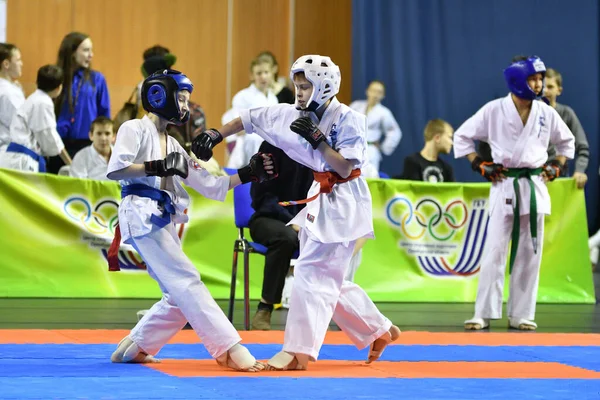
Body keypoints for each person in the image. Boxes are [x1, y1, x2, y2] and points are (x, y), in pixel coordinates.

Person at [192, 54, 400, 370]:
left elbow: (344, 167)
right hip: (319, 196)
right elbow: (249, 118)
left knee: (311, 272)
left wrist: (317, 140)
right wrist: (215, 135)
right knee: (324, 275)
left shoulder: (350, 119)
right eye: (297, 86)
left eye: (305, 87)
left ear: (324, 87)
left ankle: (298, 352)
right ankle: (377, 329)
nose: (299, 92)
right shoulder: (290, 113)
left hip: (345, 197)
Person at [107, 69, 276, 372]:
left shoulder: (174, 145)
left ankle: (133, 349)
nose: (185, 106)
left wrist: (248, 174)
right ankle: (229, 349)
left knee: (177, 296)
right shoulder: (134, 128)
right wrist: (156, 166)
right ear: (159, 96)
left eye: (187, 100)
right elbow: (116, 170)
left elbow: (211, 185)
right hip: (140, 213)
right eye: (181, 98)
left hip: (161, 218)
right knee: (187, 280)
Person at [453, 55, 574, 331]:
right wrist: (477, 162)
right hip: (504, 183)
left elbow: (568, 143)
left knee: (530, 253)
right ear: (518, 80)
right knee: (494, 251)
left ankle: (521, 313)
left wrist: (556, 166)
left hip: (533, 185)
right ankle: (483, 312)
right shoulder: (494, 110)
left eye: (541, 79)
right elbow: (462, 136)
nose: (539, 83)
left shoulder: (546, 112)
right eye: (533, 78)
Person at [249, 140, 313, 330]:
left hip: (303, 221)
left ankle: (316, 312)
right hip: (267, 218)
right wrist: (293, 222)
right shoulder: (271, 147)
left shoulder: (315, 148)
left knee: (327, 240)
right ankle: (265, 307)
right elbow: (264, 197)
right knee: (286, 238)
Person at [50, 32, 110, 173]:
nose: (91, 55)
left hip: (86, 145)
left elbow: (104, 114)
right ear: (72, 53)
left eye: (91, 50)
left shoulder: (97, 79)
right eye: (86, 50)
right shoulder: (57, 78)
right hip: (58, 144)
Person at [0, 65, 71, 172]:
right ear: (59, 88)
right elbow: (50, 137)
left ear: (37, 83)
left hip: (15, 157)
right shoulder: (43, 103)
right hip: (23, 161)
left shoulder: (34, 99)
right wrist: (70, 163)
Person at [224, 57, 279, 169]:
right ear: (252, 76)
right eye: (259, 73)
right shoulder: (242, 97)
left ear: (271, 74)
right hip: (247, 147)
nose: (263, 76)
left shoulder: (273, 99)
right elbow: (239, 128)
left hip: (268, 147)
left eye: (266, 72)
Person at [543, 68, 590, 189]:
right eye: (542, 86)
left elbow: (582, 147)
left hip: (559, 177)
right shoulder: (529, 114)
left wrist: (579, 170)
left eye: (550, 87)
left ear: (559, 90)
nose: (545, 91)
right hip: (534, 178)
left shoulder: (567, 114)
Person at [349, 80, 402, 178]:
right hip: (353, 146)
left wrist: (384, 147)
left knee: (369, 177)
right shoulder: (355, 106)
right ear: (367, 91)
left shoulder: (384, 112)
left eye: (379, 92)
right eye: (373, 91)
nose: (375, 95)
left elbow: (394, 131)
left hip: (371, 149)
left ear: (383, 96)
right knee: (350, 176)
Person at [0, 43, 25, 151]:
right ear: (6, 64)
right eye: (18, 60)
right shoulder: (8, 92)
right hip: (9, 151)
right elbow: (22, 125)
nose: (22, 63)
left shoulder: (10, 88)